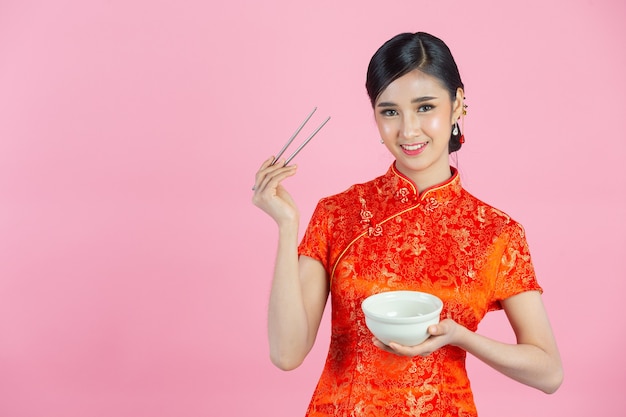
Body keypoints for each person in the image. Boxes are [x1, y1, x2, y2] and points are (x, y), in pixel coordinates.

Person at [252, 32, 563, 417]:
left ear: (458, 104)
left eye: (425, 107)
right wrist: (287, 226)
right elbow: (287, 353)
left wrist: (461, 337)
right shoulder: (337, 213)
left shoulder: (496, 232)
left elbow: (549, 372)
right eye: (390, 111)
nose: (408, 130)